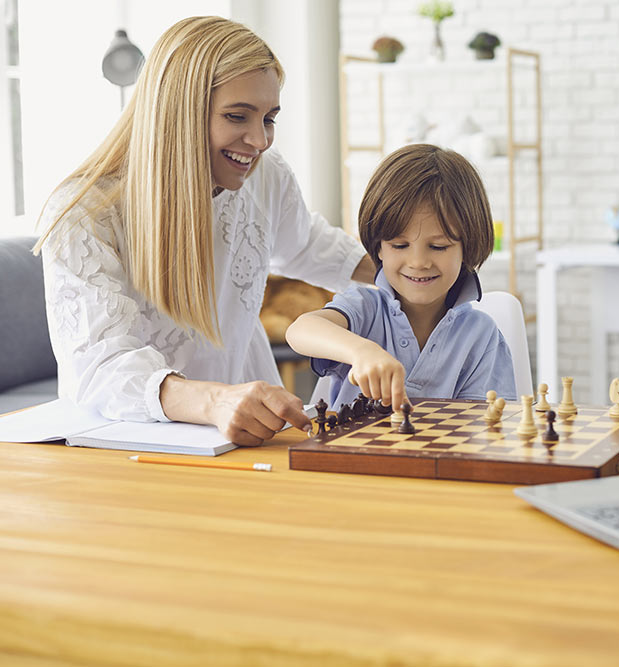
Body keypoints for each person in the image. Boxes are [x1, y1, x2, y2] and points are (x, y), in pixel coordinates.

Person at [33, 16, 376, 445]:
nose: (260, 140)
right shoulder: (83, 213)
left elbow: (305, 243)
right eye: (237, 116)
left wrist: (407, 268)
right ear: (177, 112)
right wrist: (215, 402)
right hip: (122, 439)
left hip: (240, 433)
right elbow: (103, 367)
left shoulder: (266, 176)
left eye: (269, 118)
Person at [285, 144, 517, 412]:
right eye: (399, 245)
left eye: (439, 246)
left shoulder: (481, 335)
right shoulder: (365, 308)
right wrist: (361, 351)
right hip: (354, 453)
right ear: (379, 247)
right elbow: (300, 330)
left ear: (468, 247)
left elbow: (484, 430)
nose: (418, 262)